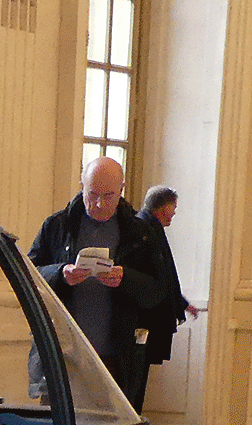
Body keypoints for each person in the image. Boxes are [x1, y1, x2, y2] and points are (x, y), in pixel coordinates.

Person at [28, 156, 165, 408]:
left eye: (109, 196)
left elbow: (158, 291)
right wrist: (60, 273)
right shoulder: (58, 226)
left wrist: (126, 279)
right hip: (64, 356)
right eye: (92, 194)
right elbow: (28, 275)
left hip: (116, 359)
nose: (99, 204)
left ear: (122, 190)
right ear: (82, 186)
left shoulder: (140, 233)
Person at [130, 185, 200, 412]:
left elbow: (163, 276)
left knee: (139, 379)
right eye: (173, 207)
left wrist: (183, 303)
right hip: (143, 320)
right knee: (135, 381)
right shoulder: (145, 230)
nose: (175, 212)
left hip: (147, 319)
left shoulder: (151, 228)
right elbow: (157, 277)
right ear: (164, 207)